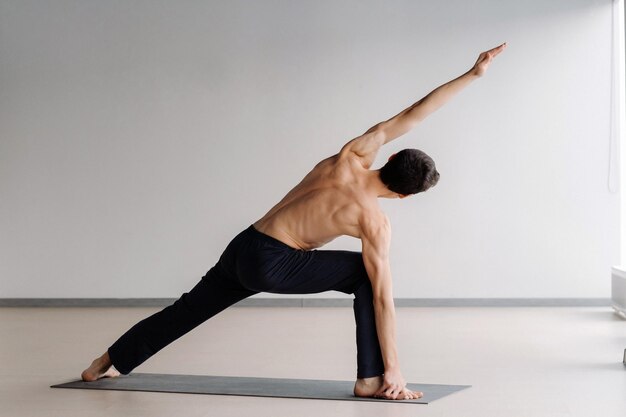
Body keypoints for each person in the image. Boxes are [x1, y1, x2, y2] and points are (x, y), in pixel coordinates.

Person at [81, 43, 506, 400]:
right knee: (367, 277)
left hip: (244, 245)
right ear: (405, 196)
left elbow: (415, 113)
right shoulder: (373, 222)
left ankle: (109, 361)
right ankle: (372, 378)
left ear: (392, 156)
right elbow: (382, 301)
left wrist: (473, 74)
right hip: (274, 263)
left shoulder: (352, 155)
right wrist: (396, 369)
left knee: (189, 309)